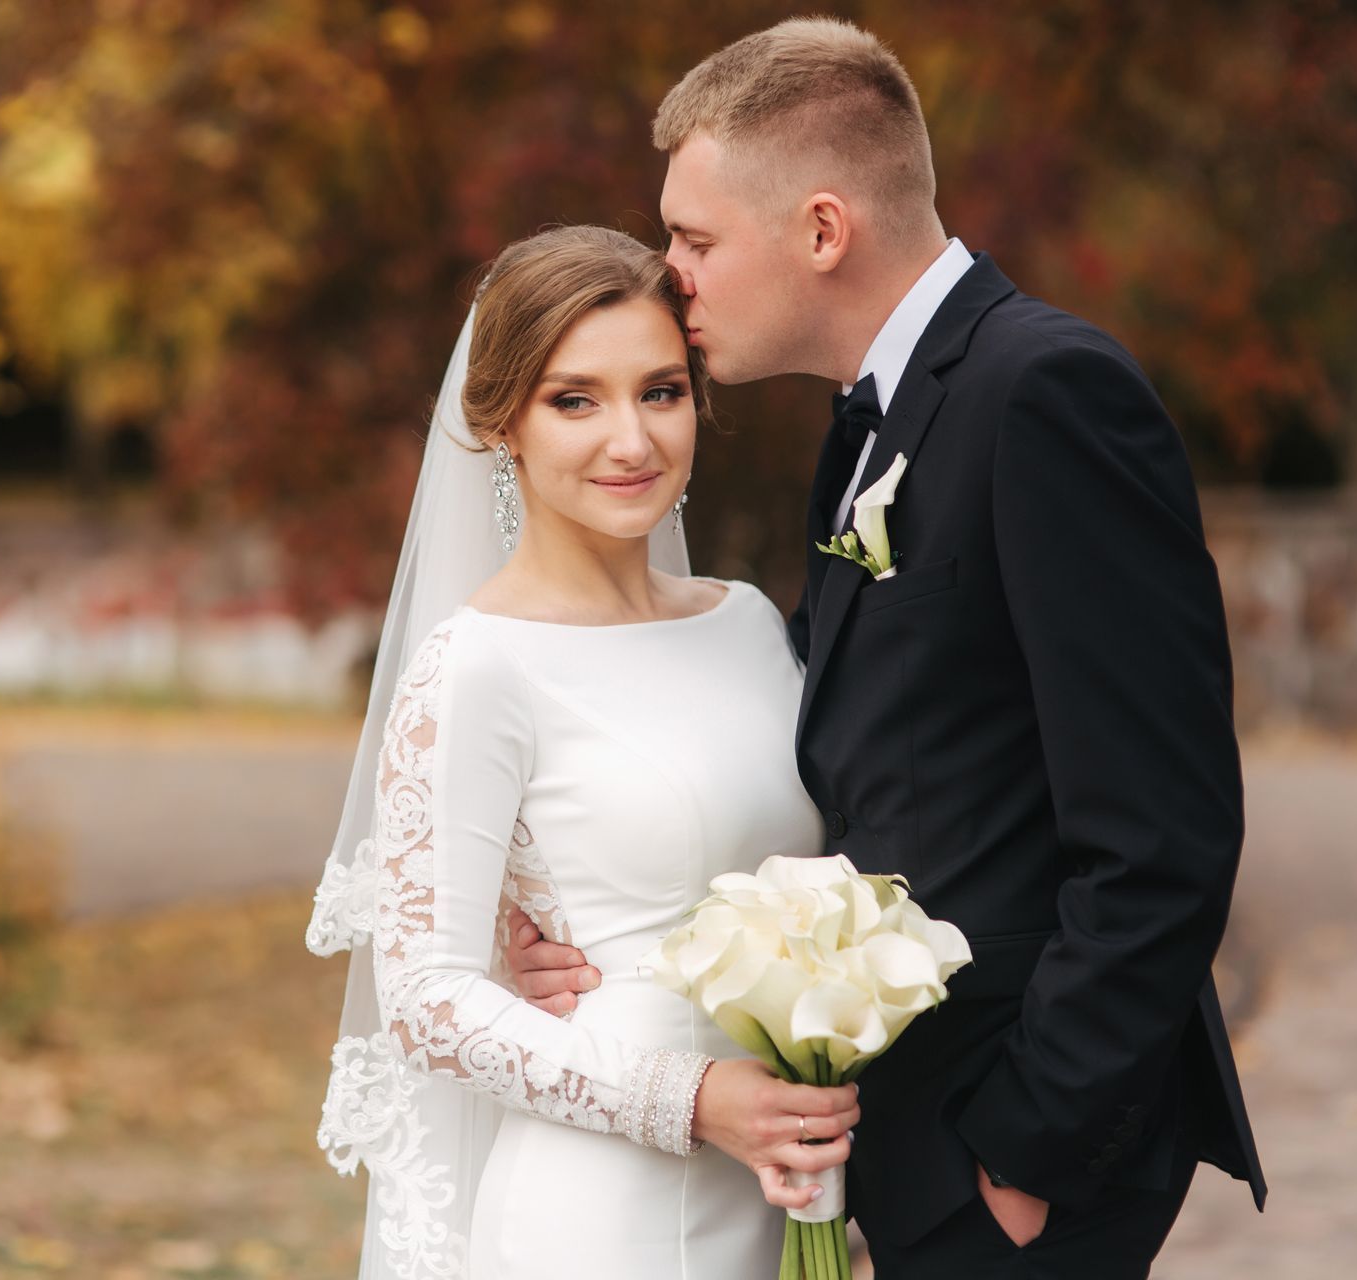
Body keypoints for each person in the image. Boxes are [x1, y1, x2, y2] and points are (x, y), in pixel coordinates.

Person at [503, 18, 1266, 1278]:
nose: (672, 276)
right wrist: (601, 930)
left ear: (820, 229)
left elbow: (1162, 837)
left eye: (695, 240)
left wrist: (1021, 1162)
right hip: (911, 1143)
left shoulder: (1046, 393)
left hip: (1024, 1150)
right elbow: (857, 755)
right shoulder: (871, 427)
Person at [306, 224, 856, 1279]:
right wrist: (693, 1098)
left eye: (661, 390)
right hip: (605, 1210)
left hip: (783, 1188)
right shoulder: (477, 667)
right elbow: (427, 998)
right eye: (575, 399)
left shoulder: (746, 623)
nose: (632, 439)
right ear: (500, 421)